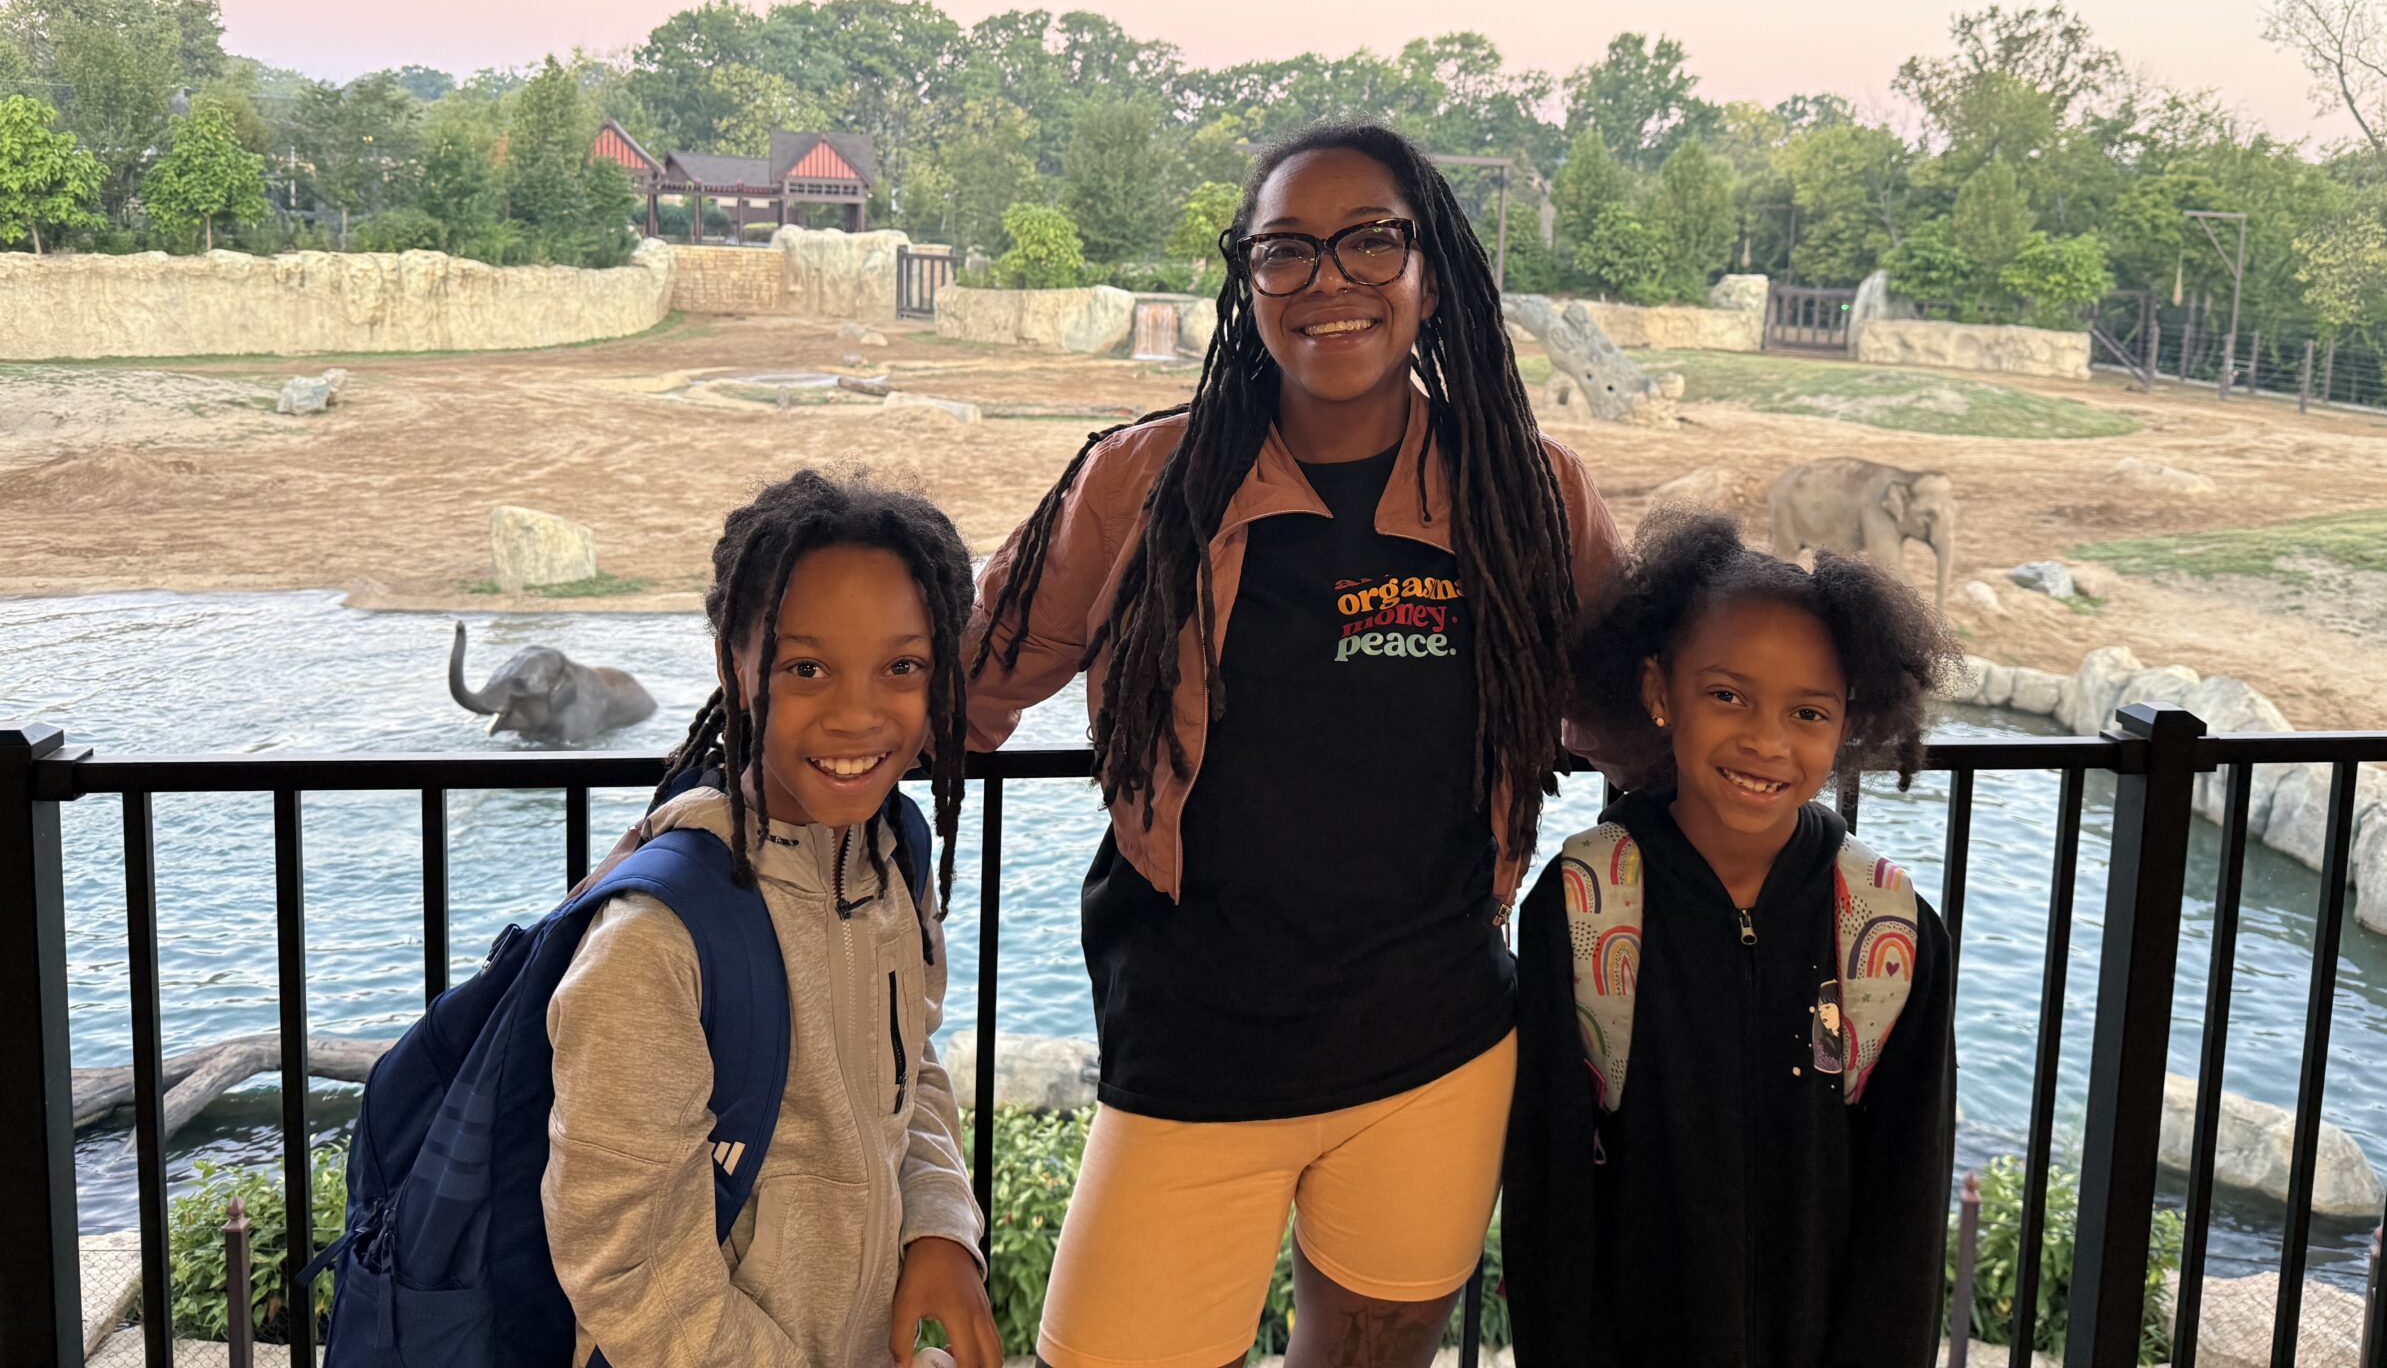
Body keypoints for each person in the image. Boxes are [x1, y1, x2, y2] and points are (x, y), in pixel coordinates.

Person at [966, 123, 1622, 1368]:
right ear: (1245, 281)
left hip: (1432, 1050)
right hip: (1193, 1046)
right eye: (1286, 250)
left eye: (1371, 240)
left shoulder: (1530, 496)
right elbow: (963, 684)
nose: (1329, 279)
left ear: (1434, 273)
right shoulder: (1140, 484)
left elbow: (1639, 722)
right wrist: (744, 801)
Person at [544, 471, 1003, 1368]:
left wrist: (941, 1225)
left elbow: (907, 1071)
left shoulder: (889, 859)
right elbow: (624, 1266)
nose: (859, 713)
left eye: (902, 666)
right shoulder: (655, 944)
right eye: (807, 668)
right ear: (737, 671)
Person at [1503, 511, 1960, 1368]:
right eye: (1727, 695)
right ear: (1656, 694)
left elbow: (1906, 1212)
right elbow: (1547, 1201)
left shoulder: (1886, 929)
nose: (1767, 740)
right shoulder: (1585, 904)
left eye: (1808, 712)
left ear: (1846, 723)